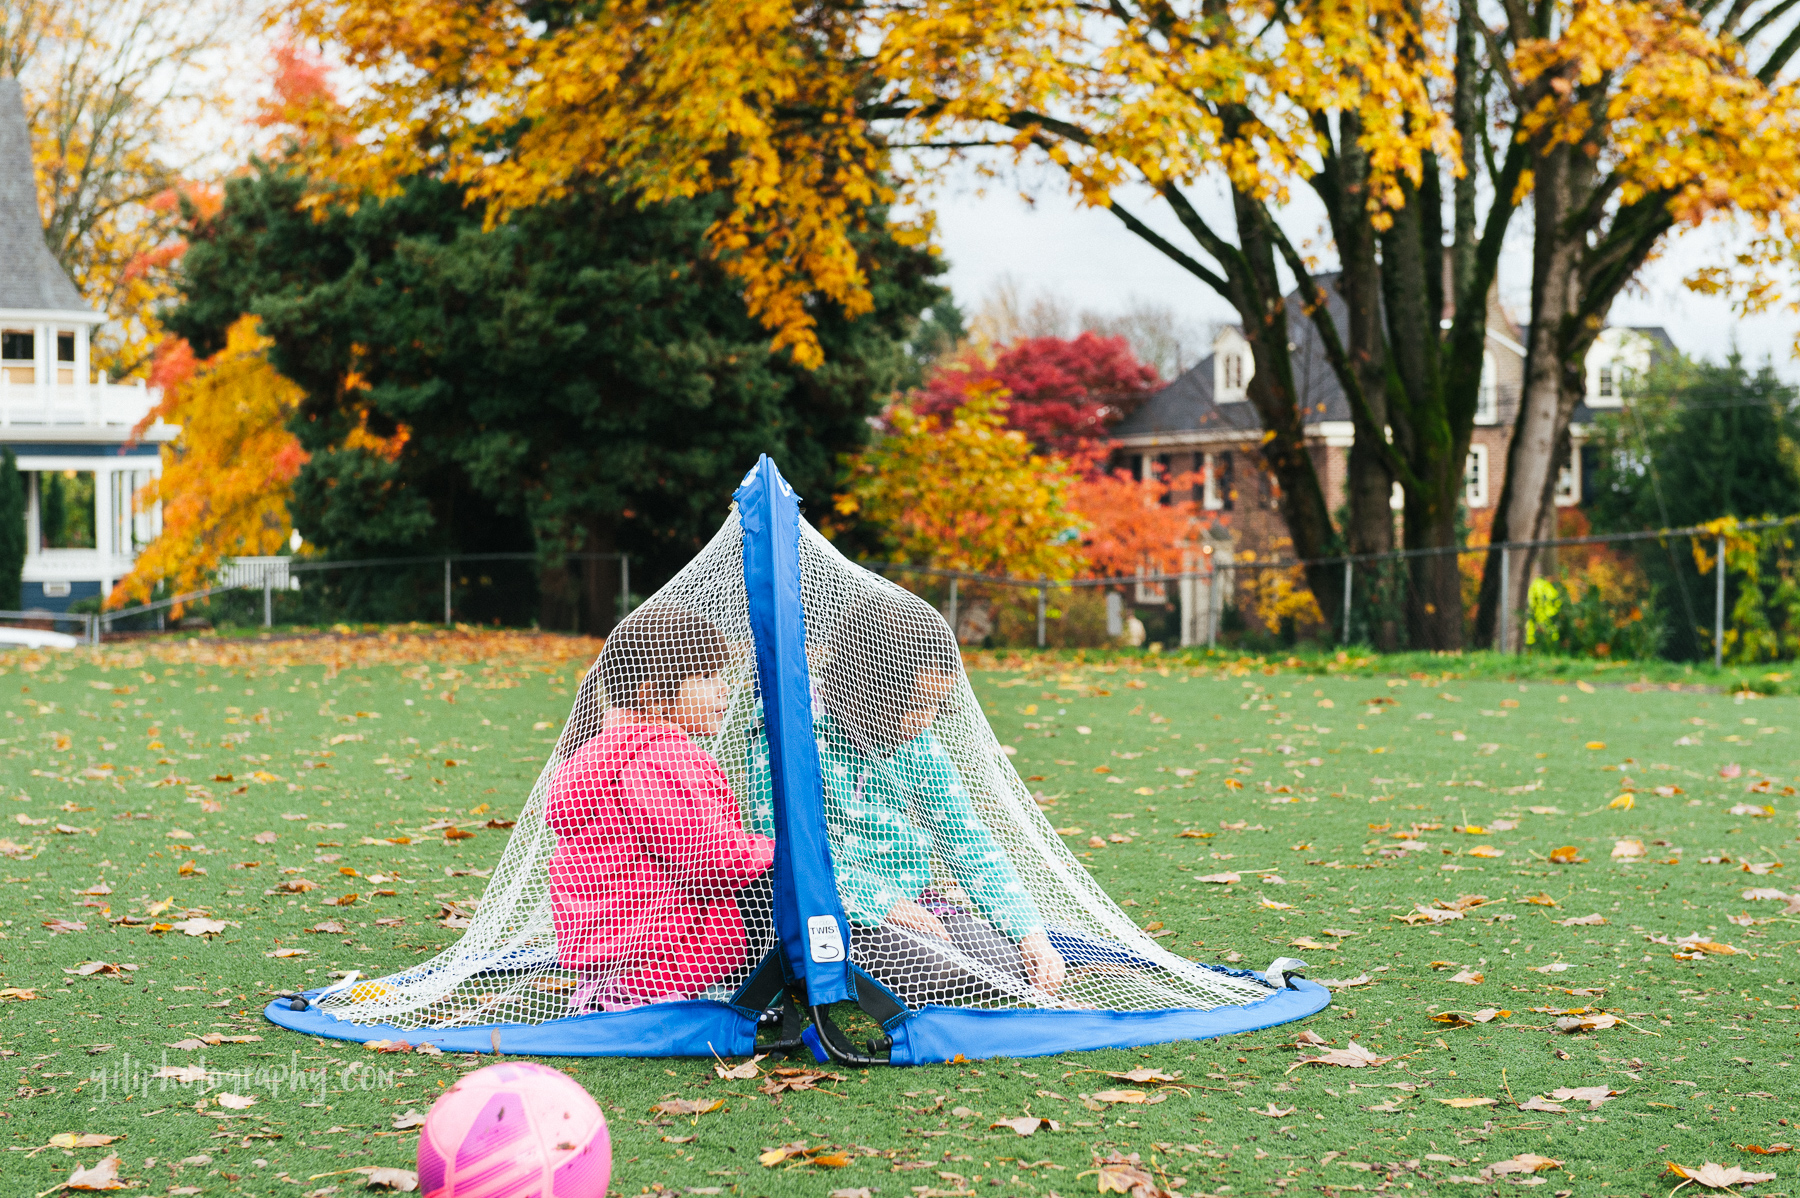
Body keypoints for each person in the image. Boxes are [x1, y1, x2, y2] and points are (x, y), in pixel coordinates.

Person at [747, 590, 1065, 1008]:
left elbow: (965, 837)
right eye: (916, 704)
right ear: (872, 688)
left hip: (913, 903)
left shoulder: (917, 744)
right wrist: (881, 903)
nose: (926, 719)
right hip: (832, 908)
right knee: (947, 969)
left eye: (936, 705)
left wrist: (1030, 932)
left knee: (1010, 965)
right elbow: (785, 849)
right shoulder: (794, 734)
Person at [546, 606, 774, 1011]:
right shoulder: (658, 755)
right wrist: (777, 851)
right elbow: (707, 858)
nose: (724, 689)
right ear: (652, 693)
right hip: (669, 955)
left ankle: (621, 991)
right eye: (706, 677)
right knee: (784, 878)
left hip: (622, 951)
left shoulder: (601, 751)